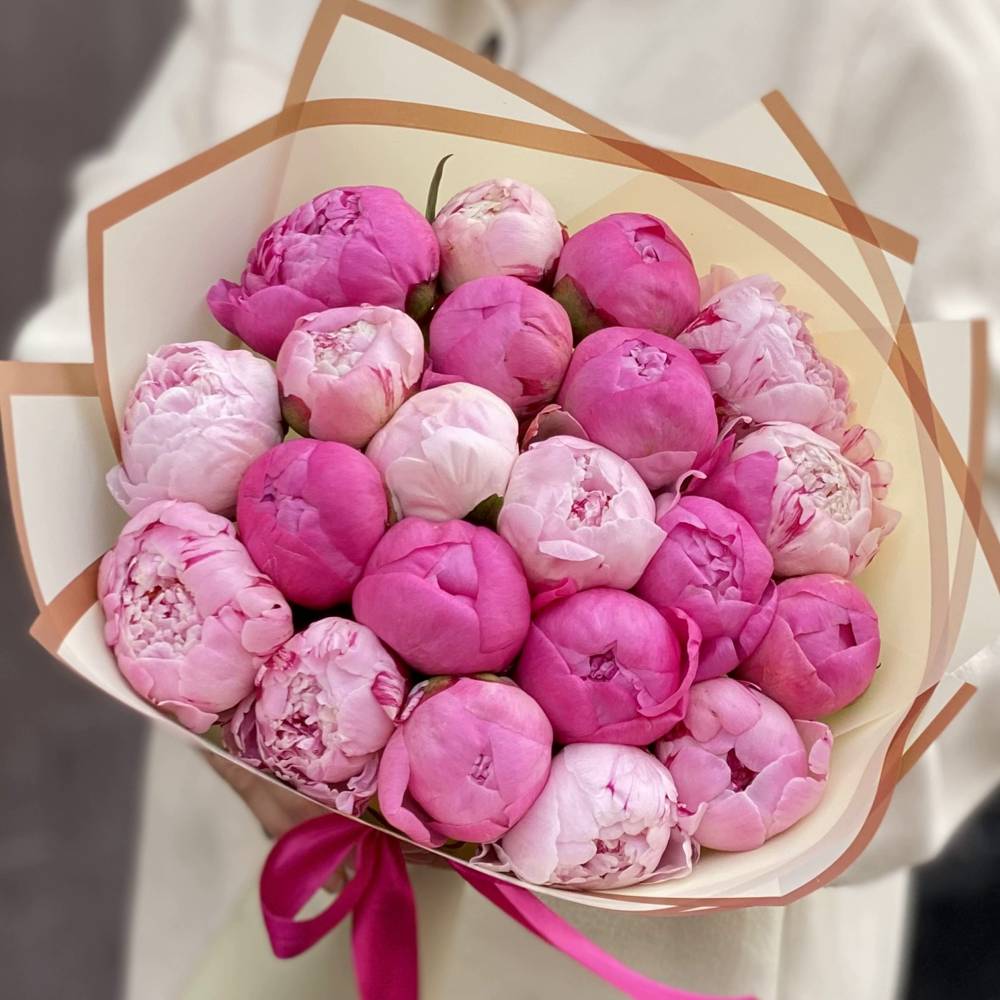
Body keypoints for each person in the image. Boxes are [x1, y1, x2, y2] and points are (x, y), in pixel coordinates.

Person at [14, 1, 1000, 997]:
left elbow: (978, 603)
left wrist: (818, 801)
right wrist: (250, 739)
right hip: (238, 864)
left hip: (638, 959)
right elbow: (93, 314)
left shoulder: (896, 33)